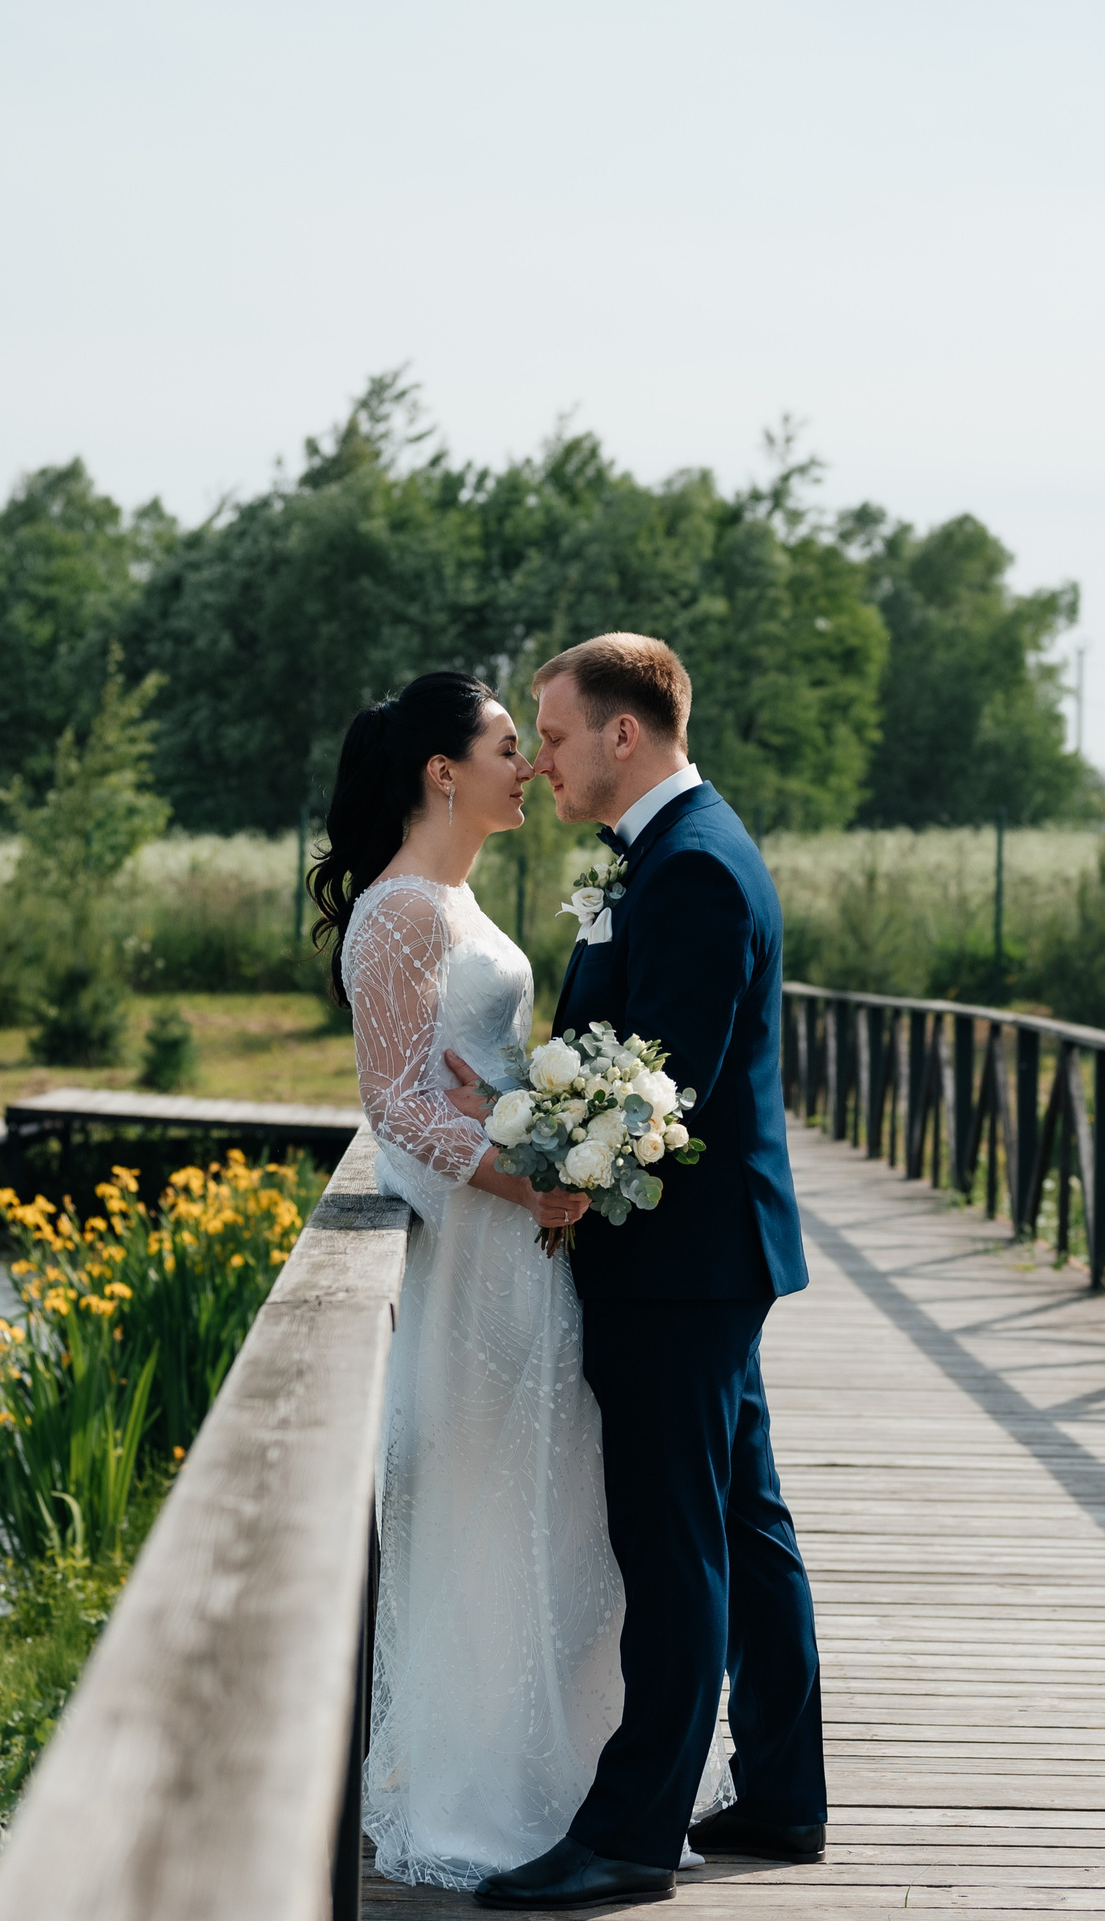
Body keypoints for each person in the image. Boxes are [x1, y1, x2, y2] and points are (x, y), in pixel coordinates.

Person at [311, 671, 722, 1894]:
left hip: (526, 1248)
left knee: (550, 1509)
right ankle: (478, 1788)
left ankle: (561, 1775)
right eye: (508, 745)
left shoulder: (455, 899)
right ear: (444, 773)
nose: (530, 765)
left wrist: (526, 1127)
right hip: (479, 1256)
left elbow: (463, 1078)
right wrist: (522, 1179)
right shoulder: (398, 911)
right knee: (489, 1510)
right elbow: (393, 1104)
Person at [455, 634, 826, 1911]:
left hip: (679, 1263)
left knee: (673, 1548)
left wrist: (505, 1124)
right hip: (704, 1258)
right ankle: (781, 1793)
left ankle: (630, 1832)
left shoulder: (696, 868)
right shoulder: (663, 854)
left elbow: (660, 1096)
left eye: (556, 736)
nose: (542, 761)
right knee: (741, 1524)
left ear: (626, 732)